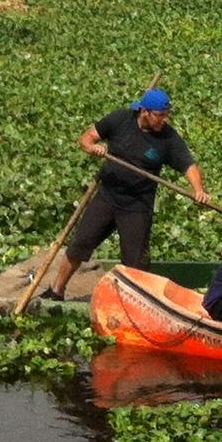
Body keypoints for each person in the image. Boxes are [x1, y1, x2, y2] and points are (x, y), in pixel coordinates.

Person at [41, 87, 207, 300]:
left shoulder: (168, 138)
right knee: (80, 244)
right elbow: (87, 138)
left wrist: (198, 189)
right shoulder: (120, 119)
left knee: (135, 262)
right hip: (107, 197)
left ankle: (135, 302)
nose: (164, 120)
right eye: (160, 116)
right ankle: (57, 289)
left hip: (137, 206)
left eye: (166, 115)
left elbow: (189, 165)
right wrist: (94, 147)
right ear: (144, 112)